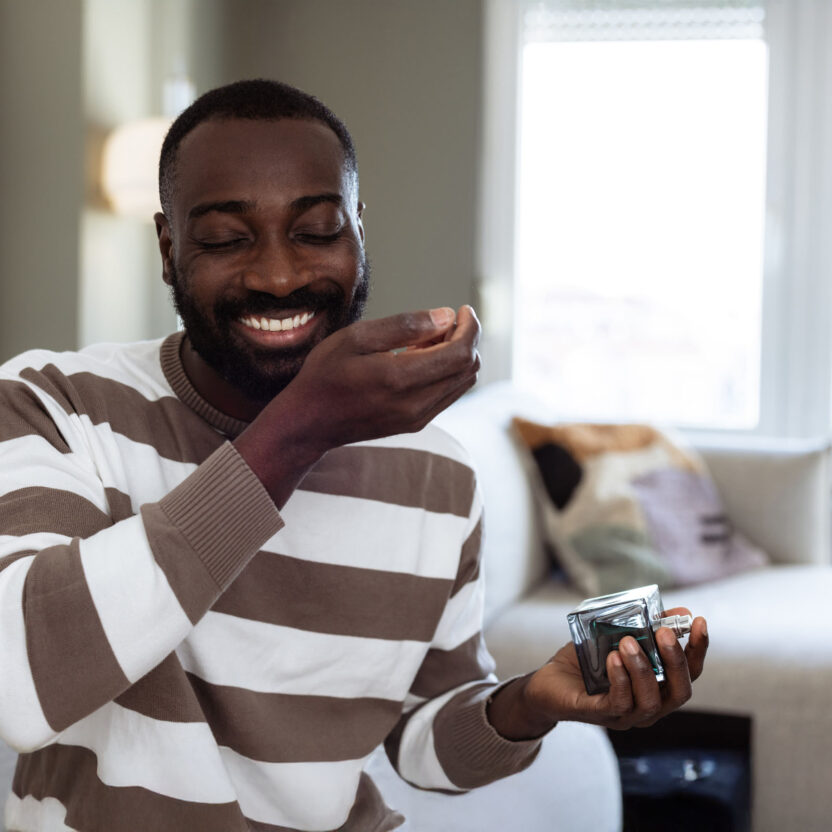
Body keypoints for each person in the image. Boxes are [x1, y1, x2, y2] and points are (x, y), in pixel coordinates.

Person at [0, 79, 708, 832]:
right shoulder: (54, 404)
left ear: (359, 232)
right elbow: (21, 685)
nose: (278, 275)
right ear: (170, 249)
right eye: (224, 239)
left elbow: (423, 745)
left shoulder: (438, 475)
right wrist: (297, 432)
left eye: (317, 229)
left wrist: (528, 704)